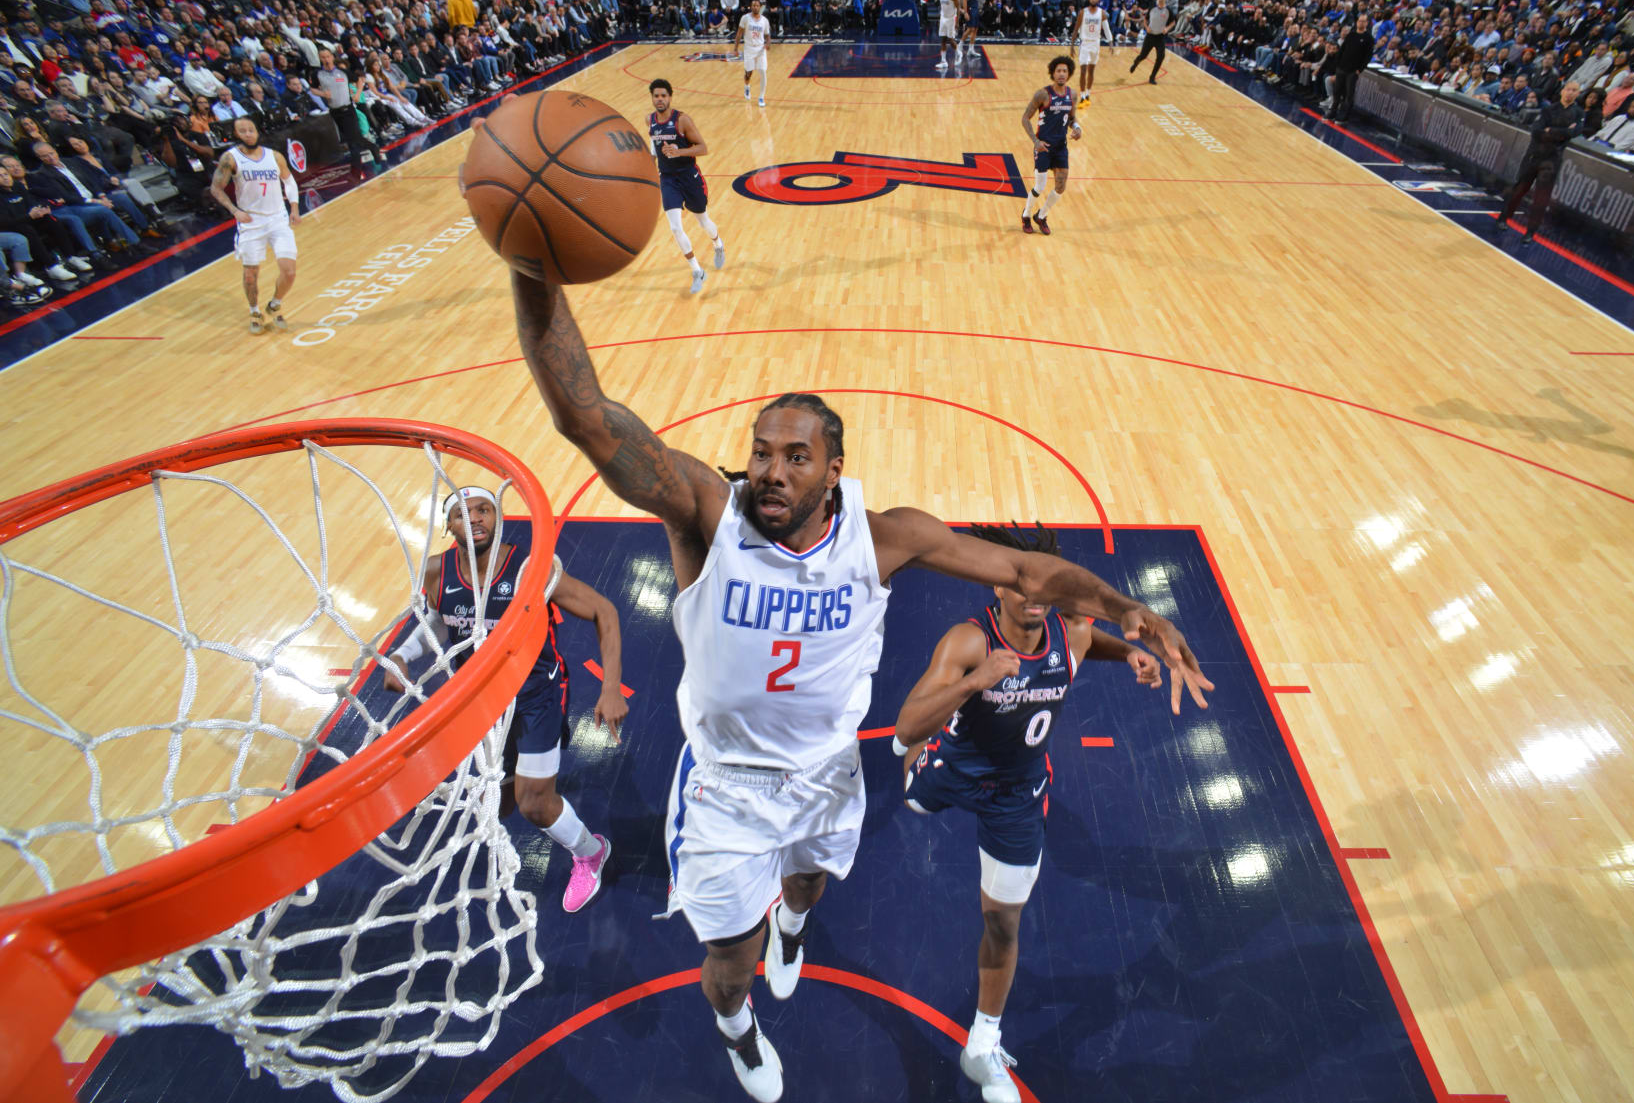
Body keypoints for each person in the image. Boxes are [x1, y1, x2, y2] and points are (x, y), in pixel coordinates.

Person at [493, 211, 1213, 1101]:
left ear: (835, 468)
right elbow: (587, 416)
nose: (773, 470)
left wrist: (1130, 609)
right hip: (726, 786)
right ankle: (737, 1026)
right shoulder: (705, 517)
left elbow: (1029, 568)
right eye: (762, 452)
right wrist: (533, 261)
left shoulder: (884, 538)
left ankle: (793, 925)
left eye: (797, 456)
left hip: (829, 775)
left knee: (805, 889)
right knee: (727, 958)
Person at [892, 523, 1167, 1103]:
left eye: (1047, 586)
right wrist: (977, 682)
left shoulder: (1074, 632)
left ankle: (982, 1044)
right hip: (954, 765)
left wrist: (1133, 654)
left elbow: (1096, 644)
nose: (1036, 596)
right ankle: (913, 761)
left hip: (1018, 794)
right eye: (1023, 585)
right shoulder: (968, 643)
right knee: (912, 788)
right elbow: (907, 723)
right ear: (998, 585)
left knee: (1003, 923)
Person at [382, 486, 627, 912]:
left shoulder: (531, 568)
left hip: (536, 696)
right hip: (481, 702)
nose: (473, 518)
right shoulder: (437, 572)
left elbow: (604, 610)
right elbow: (442, 622)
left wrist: (609, 689)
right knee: (507, 802)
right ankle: (529, 786)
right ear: (448, 526)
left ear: (498, 518)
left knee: (534, 804)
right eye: (461, 513)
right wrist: (402, 657)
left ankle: (591, 852)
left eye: (483, 510)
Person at [208, 117, 301, 335]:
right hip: (251, 222)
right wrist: (235, 211)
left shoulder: (274, 156)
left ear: (258, 132)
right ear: (236, 134)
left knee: (289, 272)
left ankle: (275, 304)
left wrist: (294, 208)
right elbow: (216, 188)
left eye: (251, 129)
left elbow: (289, 181)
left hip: (278, 218)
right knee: (250, 274)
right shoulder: (231, 158)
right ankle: (254, 311)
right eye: (243, 131)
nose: (248, 133)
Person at [648, 78, 726, 295]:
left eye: (664, 95)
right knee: (675, 227)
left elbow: (703, 148)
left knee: (703, 221)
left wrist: (678, 151)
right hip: (668, 179)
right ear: (652, 98)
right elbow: (654, 147)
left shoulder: (682, 120)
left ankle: (718, 244)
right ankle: (697, 271)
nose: (660, 99)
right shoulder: (650, 120)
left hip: (688, 175)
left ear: (670, 97)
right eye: (656, 96)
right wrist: (649, 167)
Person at [1495, 79, 1583, 245]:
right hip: (1534, 155)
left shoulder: (1578, 113)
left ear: (1578, 94)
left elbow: (1575, 132)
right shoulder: (1549, 109)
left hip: (1552, 160)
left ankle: (1530, 232)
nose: (1570, 92)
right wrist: (1562, 133)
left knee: (1541, 198)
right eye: (1568, 89)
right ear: (1563, 91)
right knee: (1519, 189)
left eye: (1574, 90)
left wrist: (1552, 131)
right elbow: (1537, 131)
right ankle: (1503, 218)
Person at [1019, 55, 1081, 235]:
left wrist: (1076, 127)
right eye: (1058, 71)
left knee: (1061, 186)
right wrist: (1035, 141)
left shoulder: (1072, 95)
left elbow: (1071, 118)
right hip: (1043, 146)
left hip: (1060, 147)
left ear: (1069, 74)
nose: (1062, 74)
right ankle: (1026, 214)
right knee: (1040, 186)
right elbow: (1025, 118)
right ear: (1053, 73)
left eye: (1065, 71)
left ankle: (1042, 215)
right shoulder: (1043, 94)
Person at [1330, 12, 1374, 119]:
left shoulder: (1368, 38)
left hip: (1353, 70)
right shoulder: (1351, 34)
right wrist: (1338, 63)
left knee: (1349, 93)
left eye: (1363, 21)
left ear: (1367, 23)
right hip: (1342, 67)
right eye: (1359, 21)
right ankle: (1333, 111)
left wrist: (1360, 69)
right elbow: (1342, 49)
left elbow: (1368, 56)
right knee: (1337, 91)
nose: (1361, 23)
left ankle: (1345, 114)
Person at [1073, 0, 1111, 107]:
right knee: (1083, 70)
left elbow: (1106, 28)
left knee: (1091, 71)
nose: (1094, 0)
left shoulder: (1102, 13)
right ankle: (1082, 95)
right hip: (1084, 43)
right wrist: (1071, 45)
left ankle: (1088, 94)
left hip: (1096, 43)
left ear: (1098, 0)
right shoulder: (1083, 12)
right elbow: (1076, 28)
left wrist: (1111, 42)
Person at [733, 0, 771, 108]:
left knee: (763, 71)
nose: (755, 7)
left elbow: (768, 36)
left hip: (760, 49)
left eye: (757, 5)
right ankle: (747, 86)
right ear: (751, 6)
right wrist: (735, 48)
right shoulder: (745, 18)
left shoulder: (764, 21)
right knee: (748, 73)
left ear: (760, 7)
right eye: (753, 5)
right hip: (749, 48)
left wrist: (768, 44)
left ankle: (761, 97)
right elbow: (739, 34)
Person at [1129, 0, 1171, 84]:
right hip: (1150, 36)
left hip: (1160, 37)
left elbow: (1173, 22)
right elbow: (1145, 19)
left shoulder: (1169, 10)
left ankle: (1152, 77)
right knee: (1143, 56)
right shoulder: (1152, 8)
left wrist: (1167, 28)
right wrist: (1146, 27)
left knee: (1161, 57)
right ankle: (1136, 63)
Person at [937, 0, 962, 71]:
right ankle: (943, 61)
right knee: (943, 39)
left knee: (951, 40)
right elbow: (942, 7)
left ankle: (959, 53)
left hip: (951, 18)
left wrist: (957, 21)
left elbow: (958, 7)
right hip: (943, 18)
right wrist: (940, 19)